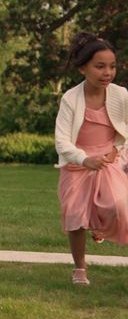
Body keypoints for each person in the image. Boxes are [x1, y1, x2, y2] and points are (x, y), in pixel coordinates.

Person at [55, 32, 128, 285]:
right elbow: (62, 142)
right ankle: (80, 269)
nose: (107, 72)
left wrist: (117, 151)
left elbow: (125, 132)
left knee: (118, 207)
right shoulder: (70, 99)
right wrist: (85, 160)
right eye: (100, 67)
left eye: (112, 66)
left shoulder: (121, 96)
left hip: (108, 161)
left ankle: (99, 227)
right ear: (83, 68)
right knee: (75, 217)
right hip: (77, 165)